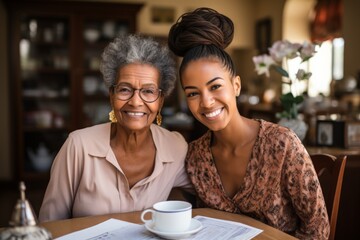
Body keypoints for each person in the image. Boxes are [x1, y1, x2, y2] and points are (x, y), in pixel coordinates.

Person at [168, 7, 330, 239]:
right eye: (193, 93)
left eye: (215, 87)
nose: (206, 102)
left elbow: (318, 230)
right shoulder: (196, 156)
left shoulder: (281, 144)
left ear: (236, 85)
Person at [39, 34, 193, 222]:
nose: (136, 102)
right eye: (125, 89)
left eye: (148, 91)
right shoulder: (78, 146)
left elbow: (211, 191)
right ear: (111, 95)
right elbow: (50, 224)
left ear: (160, 100)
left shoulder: (175, 147)